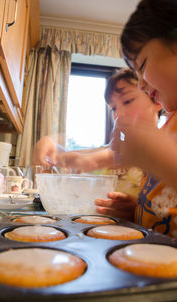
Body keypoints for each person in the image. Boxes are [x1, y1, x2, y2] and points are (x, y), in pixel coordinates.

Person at [33, 68, 162, 222]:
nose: (118, 114)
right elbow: (76, 158)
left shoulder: (167, 153)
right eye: (113, 108)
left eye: (127, 101)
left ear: (157, 99)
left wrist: (137, 210)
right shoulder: (106, 151)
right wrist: (49, 143)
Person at [106, 0, 177, 236]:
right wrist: (135, 211)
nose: (143, 84)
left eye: (142, 64)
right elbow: (165, 207)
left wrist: (165, 159)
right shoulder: (169, 127)